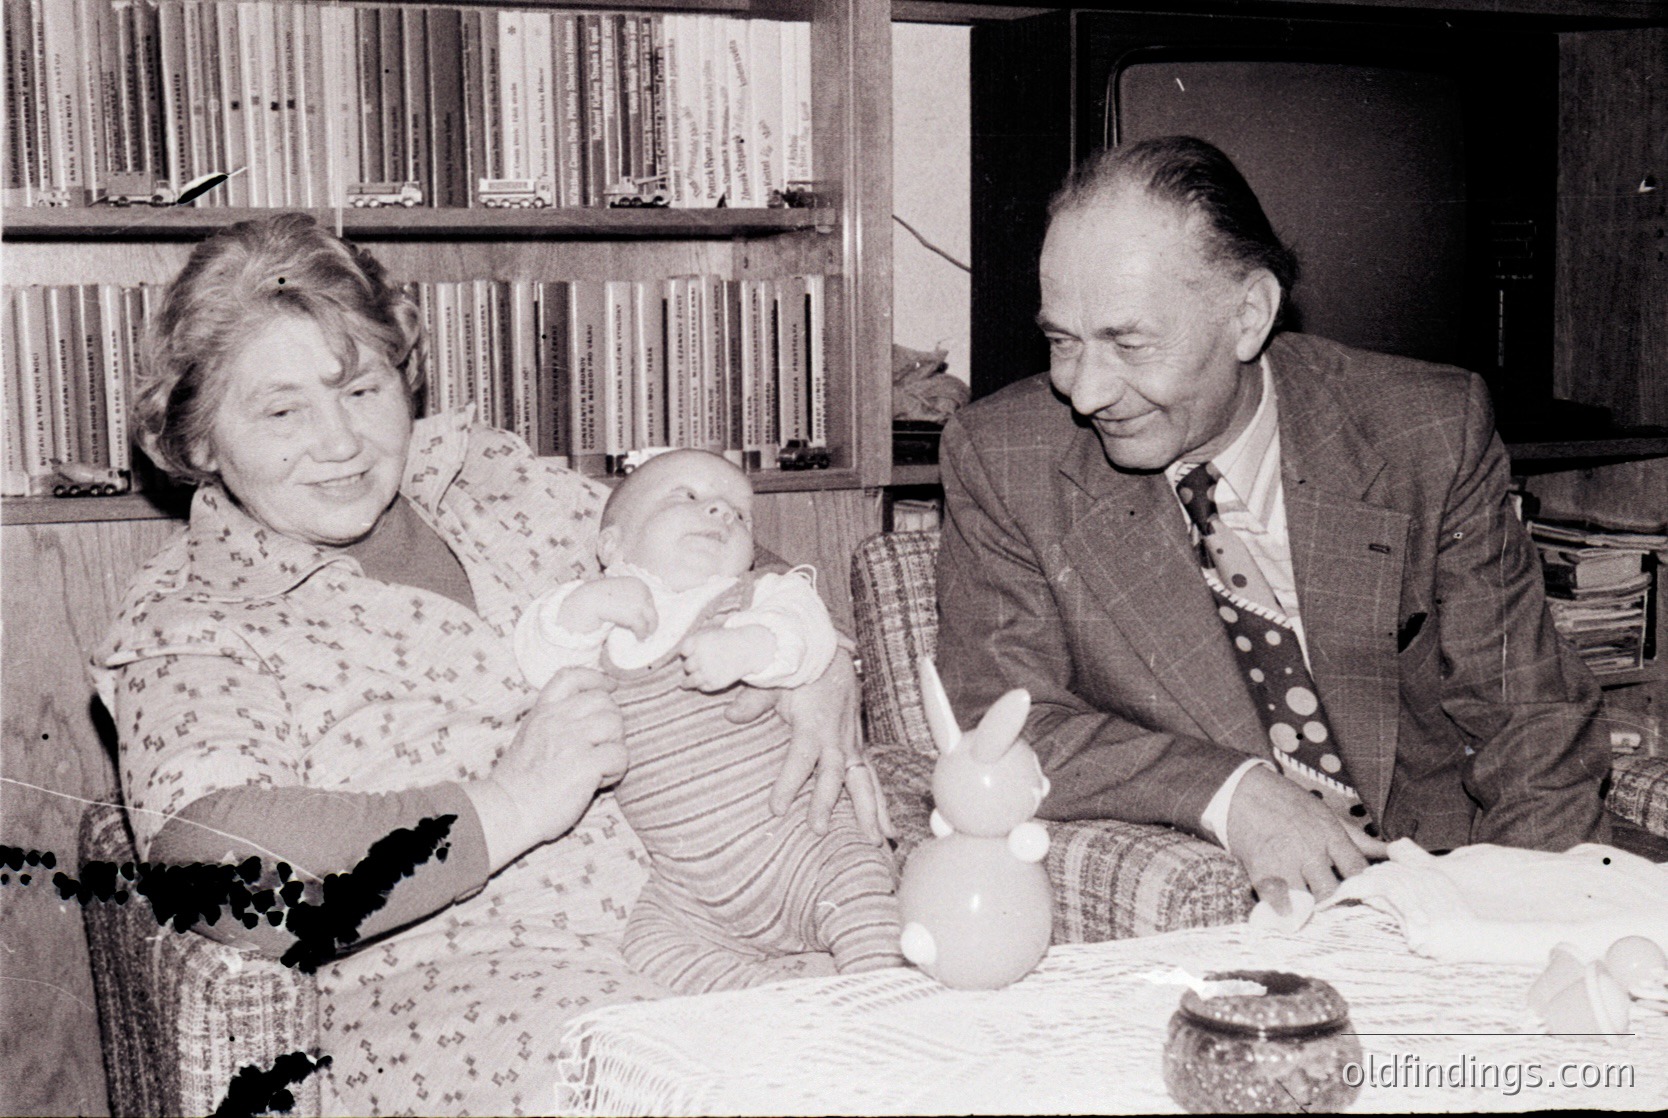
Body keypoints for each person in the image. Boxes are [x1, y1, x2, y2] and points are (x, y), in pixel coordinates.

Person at [91, 212, 889, 1115]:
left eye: (362, 389)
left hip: (732, 911)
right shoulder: (194, 618)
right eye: (281, 410)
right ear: (198, 441)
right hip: (486, 999)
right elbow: (220, 867)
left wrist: (821, 662)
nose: (342, 441)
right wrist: (509, 804)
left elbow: (717, 550)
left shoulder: (492, 478)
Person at [935, 136, 1611, 918]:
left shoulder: (1425, 430)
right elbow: (996, 721)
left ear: (1249, 316)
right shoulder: (1005, 457)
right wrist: (1233, 793)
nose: (1084, 392)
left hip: (1456, 875)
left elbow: (1531, 718)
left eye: (1128, 342)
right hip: (1248, 908)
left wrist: (1524, 923)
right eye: (1061, 341)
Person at [515, 449, 903, 993]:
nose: (722, 514)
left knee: (861, 887)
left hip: (805, 845)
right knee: (648, 946)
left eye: (739, 513)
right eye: (689, 498)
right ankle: (773, 1004)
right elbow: (538, 658)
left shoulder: (754, 596)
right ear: (613, 545)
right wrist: (584, 604)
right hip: (691, 892)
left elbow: (810, 631)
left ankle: (887, 997)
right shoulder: (601, 629)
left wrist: (753, 645)